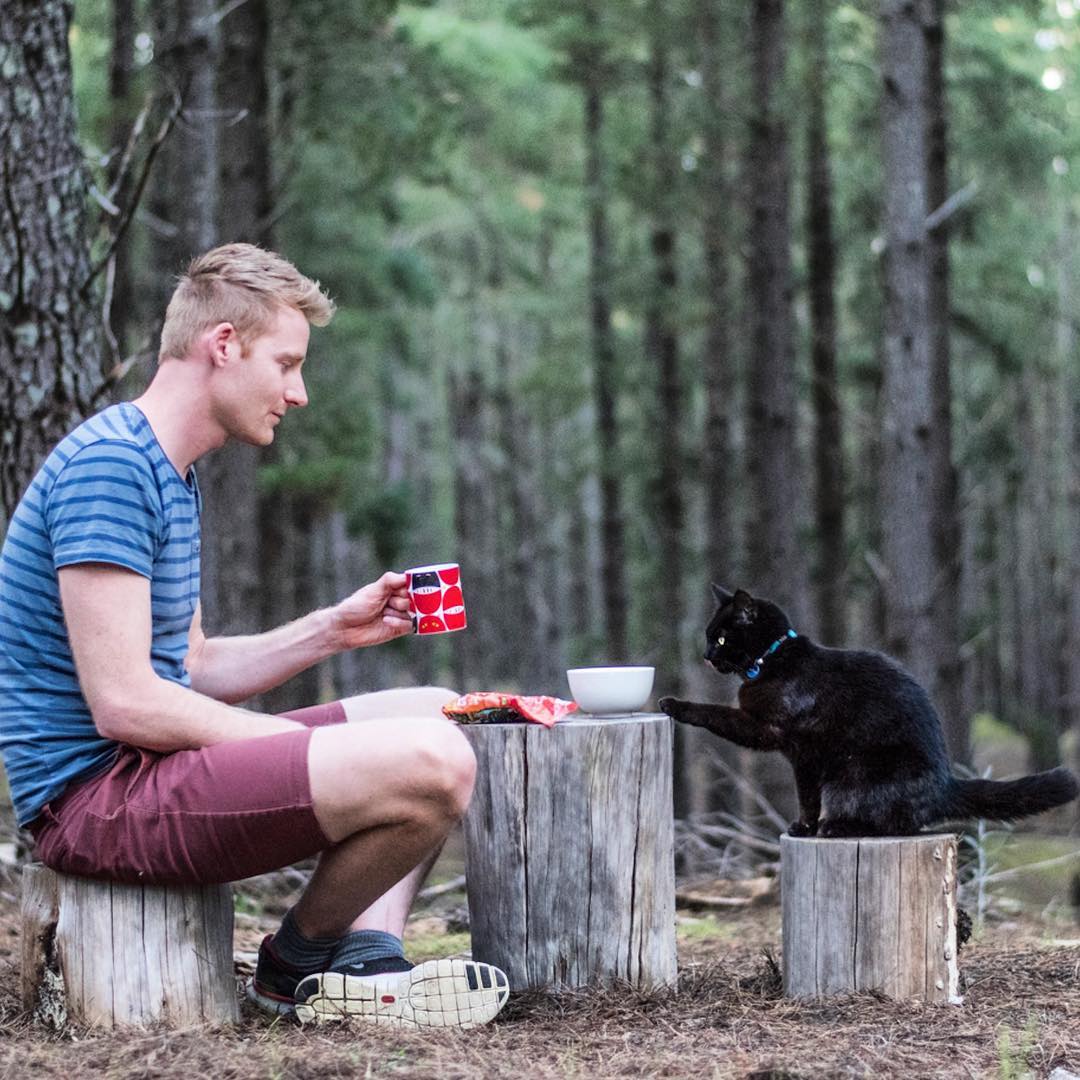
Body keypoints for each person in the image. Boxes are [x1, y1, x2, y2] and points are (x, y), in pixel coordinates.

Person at [0, 243, 508, 1030]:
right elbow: (126, 705)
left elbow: (190, 666)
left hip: (150, 771)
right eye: (287, 363)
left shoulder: (168, 470)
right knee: (435, 765)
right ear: (224, 345)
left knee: (441, 713)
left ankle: (369, 964)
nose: (298, 393)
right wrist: (282, 749)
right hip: (96, 801)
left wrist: (331, 632)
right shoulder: (111, 468)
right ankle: (294, 969)